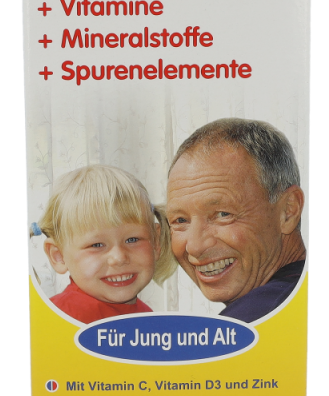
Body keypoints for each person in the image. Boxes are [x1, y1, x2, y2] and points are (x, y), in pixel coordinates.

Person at [166, 118, 306, 322]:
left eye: (223, 214)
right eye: (180, 220)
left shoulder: (252, 321)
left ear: (288, 211)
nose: (195, 247)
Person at [35, 165, 176, 323]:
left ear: (155, 242)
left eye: (132, 240)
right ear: (59, 256)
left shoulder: (146, 317)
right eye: (97, 245)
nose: (119, 258)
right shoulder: (58, 318)